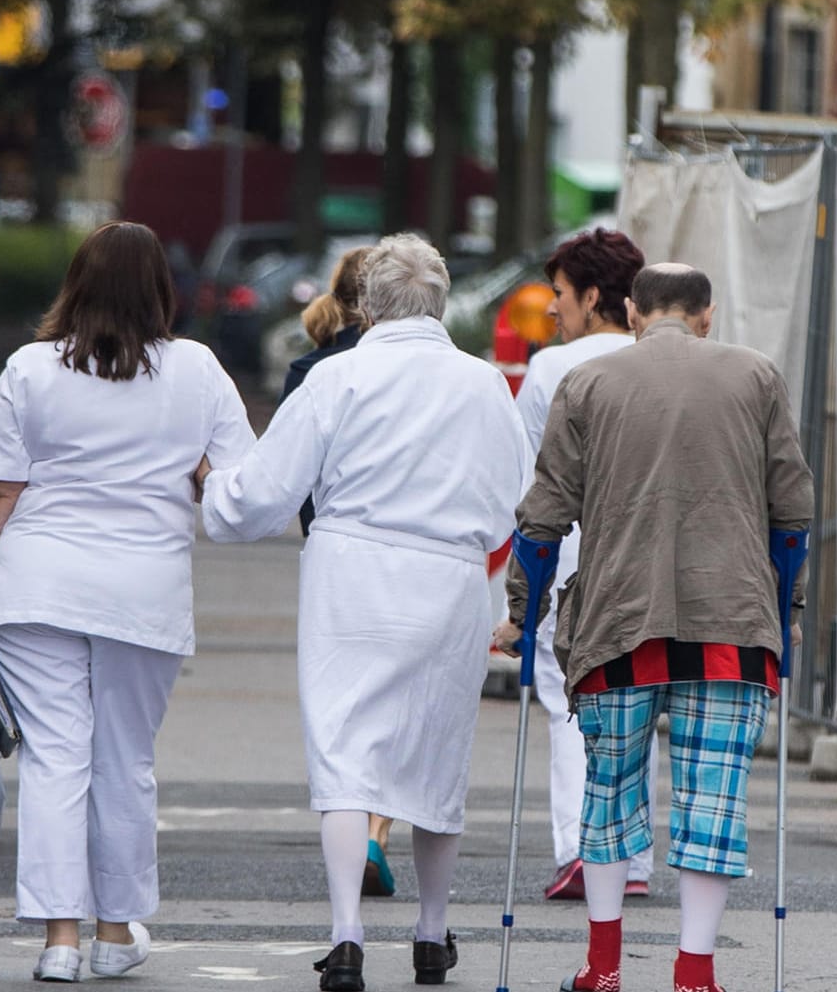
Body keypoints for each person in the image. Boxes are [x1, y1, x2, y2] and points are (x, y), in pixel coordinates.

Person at [199, 234, 532, 991]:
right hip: (448, 578)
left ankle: (347, 931)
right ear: (441, 302)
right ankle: (431, 930)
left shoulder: (337, 377)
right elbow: (517, 495)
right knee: (438, 757)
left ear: (369, 303)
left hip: (351, 571)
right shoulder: (484, 385)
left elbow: (265, 493)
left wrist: (216, 494)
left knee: (346, 755)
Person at [0, 221, 255, 983]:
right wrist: (198, 469)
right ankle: (117, 931)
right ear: (160, 290)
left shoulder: (30, 369)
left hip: (39, 588)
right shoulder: (199, 370)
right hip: (144, 593)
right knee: (125, 762)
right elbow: (241, 483)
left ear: (74, 283)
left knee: (54, 760)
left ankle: (60, 941)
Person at [498, 263, 813, 992]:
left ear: (633, 313)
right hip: (730, 625)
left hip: (617, 621)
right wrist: (787, 611)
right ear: (707, 315)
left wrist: (523, 612)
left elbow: (543, 517)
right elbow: (791, 514)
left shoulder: (588, 383)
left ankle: (602, 967)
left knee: (609, 789)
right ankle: (695, 972)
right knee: (713, 795)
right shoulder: (757, 376)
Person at [507, 228, 658, 902]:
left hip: (575, 549)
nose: (553, 310)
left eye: (562, 295)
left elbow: (527, 478)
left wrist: (515, 593)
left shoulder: (552, 369)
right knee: (643, 692)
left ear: (594, 295)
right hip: (655, 548)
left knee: (566, 695)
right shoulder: (658, 360)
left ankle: (579, 847)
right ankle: (636, 856)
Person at [282, 246, 401, 899]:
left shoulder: (311, 368)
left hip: (333, 552)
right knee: (397, 701)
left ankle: (355, 835)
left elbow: (295, 475)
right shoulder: (415, 369)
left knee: (346, 707)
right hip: (409, 556)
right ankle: (380, 831)